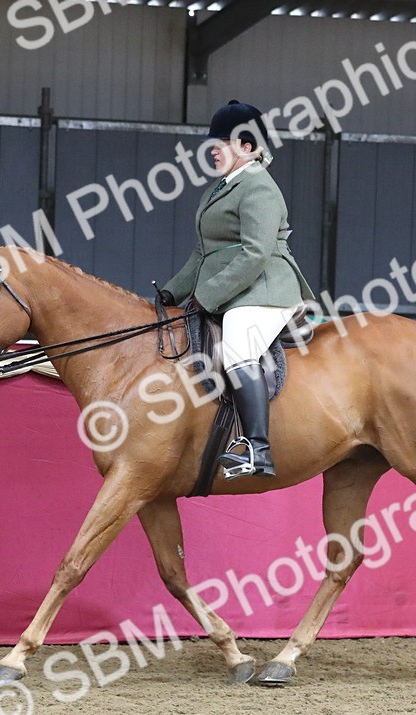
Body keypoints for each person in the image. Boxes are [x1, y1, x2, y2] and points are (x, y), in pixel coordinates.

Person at [159, 100, 315, 479]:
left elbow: (255, 253)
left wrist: (207, 296)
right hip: (233, 288)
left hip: (264, 289)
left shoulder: (259, 187)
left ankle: (257, 449)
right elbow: (202, 252)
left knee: (239, 346)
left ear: (247, 146)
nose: (213, 149)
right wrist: (171, 294)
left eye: (222, 143)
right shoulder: (220, 189)